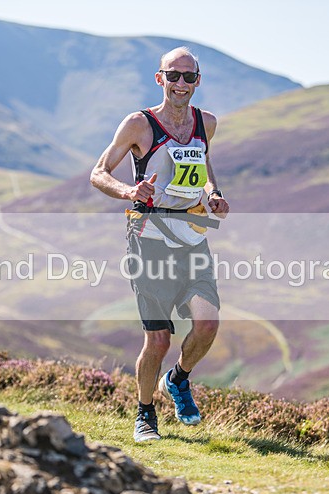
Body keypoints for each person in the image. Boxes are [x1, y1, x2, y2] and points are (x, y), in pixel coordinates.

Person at [90, 46, 230, 442]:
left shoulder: (207, 123)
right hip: (149, 239)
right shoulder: (139, 124)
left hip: (192, 236)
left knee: (207, 324)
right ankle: (145, 413)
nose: (180, 84)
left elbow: (203, 166)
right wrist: (130, 191)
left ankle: (178, 380)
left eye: (188, 77)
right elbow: (98, 173)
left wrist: (214, 193)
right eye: (173, 75)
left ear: (198, 81)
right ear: (160, 78)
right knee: (159, 338)